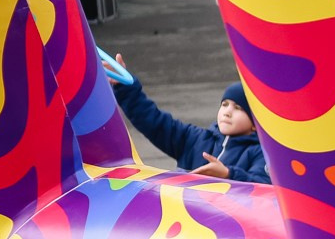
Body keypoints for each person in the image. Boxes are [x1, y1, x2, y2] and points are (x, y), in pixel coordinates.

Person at [108, 63, 268, 185]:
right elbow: (154, 122)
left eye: (238, 108)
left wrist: (228, 175)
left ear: (255, 124)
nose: (227, 111)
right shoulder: (196, 139)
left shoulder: (261, 154)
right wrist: (125, 88)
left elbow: (265, 187)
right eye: (225, 104)